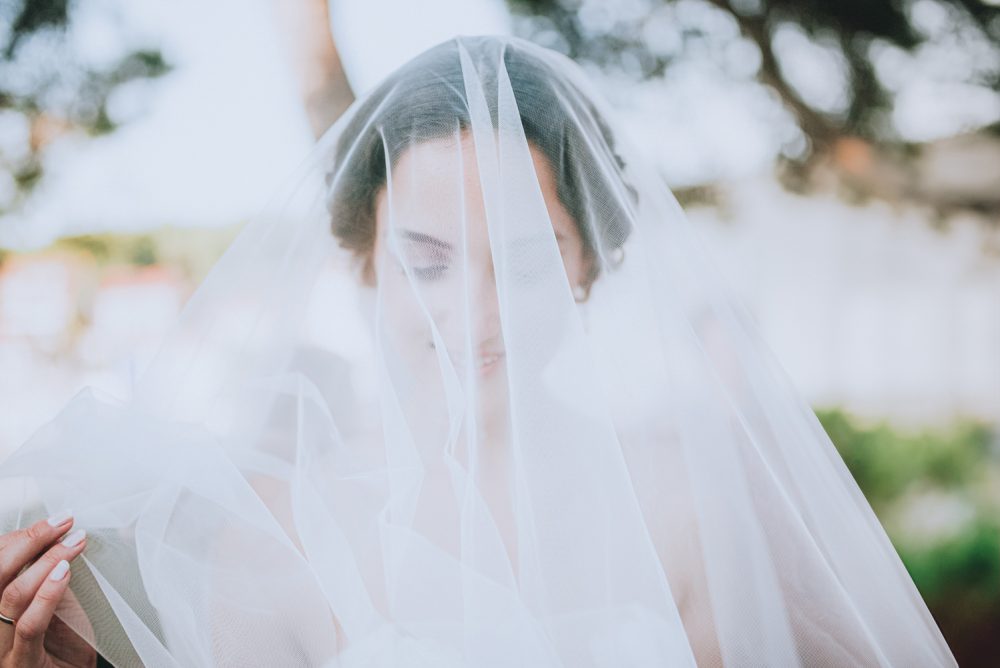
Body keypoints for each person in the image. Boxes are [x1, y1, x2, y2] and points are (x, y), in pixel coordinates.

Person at [0, 34, 956, 666]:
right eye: (429, 261)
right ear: (362, 257)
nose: (477, 313)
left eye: (530, 262)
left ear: (589, 264)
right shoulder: (276, 538)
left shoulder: (691, 506)